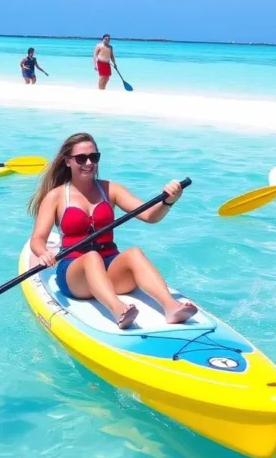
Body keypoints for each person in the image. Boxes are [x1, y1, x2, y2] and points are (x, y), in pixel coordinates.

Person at [28, 133, 198, 329]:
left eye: (94, 157)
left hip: (111, 269)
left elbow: (150, 216)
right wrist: (43, 253)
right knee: (92, 257)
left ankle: (171, 307)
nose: (89, 163)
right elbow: (37, 239)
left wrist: (169, 201)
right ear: (67, 161)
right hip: (75, 274)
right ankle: (119, 310)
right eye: (81, 158)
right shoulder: (56, 196)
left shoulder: (111, 189)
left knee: (134, 253)